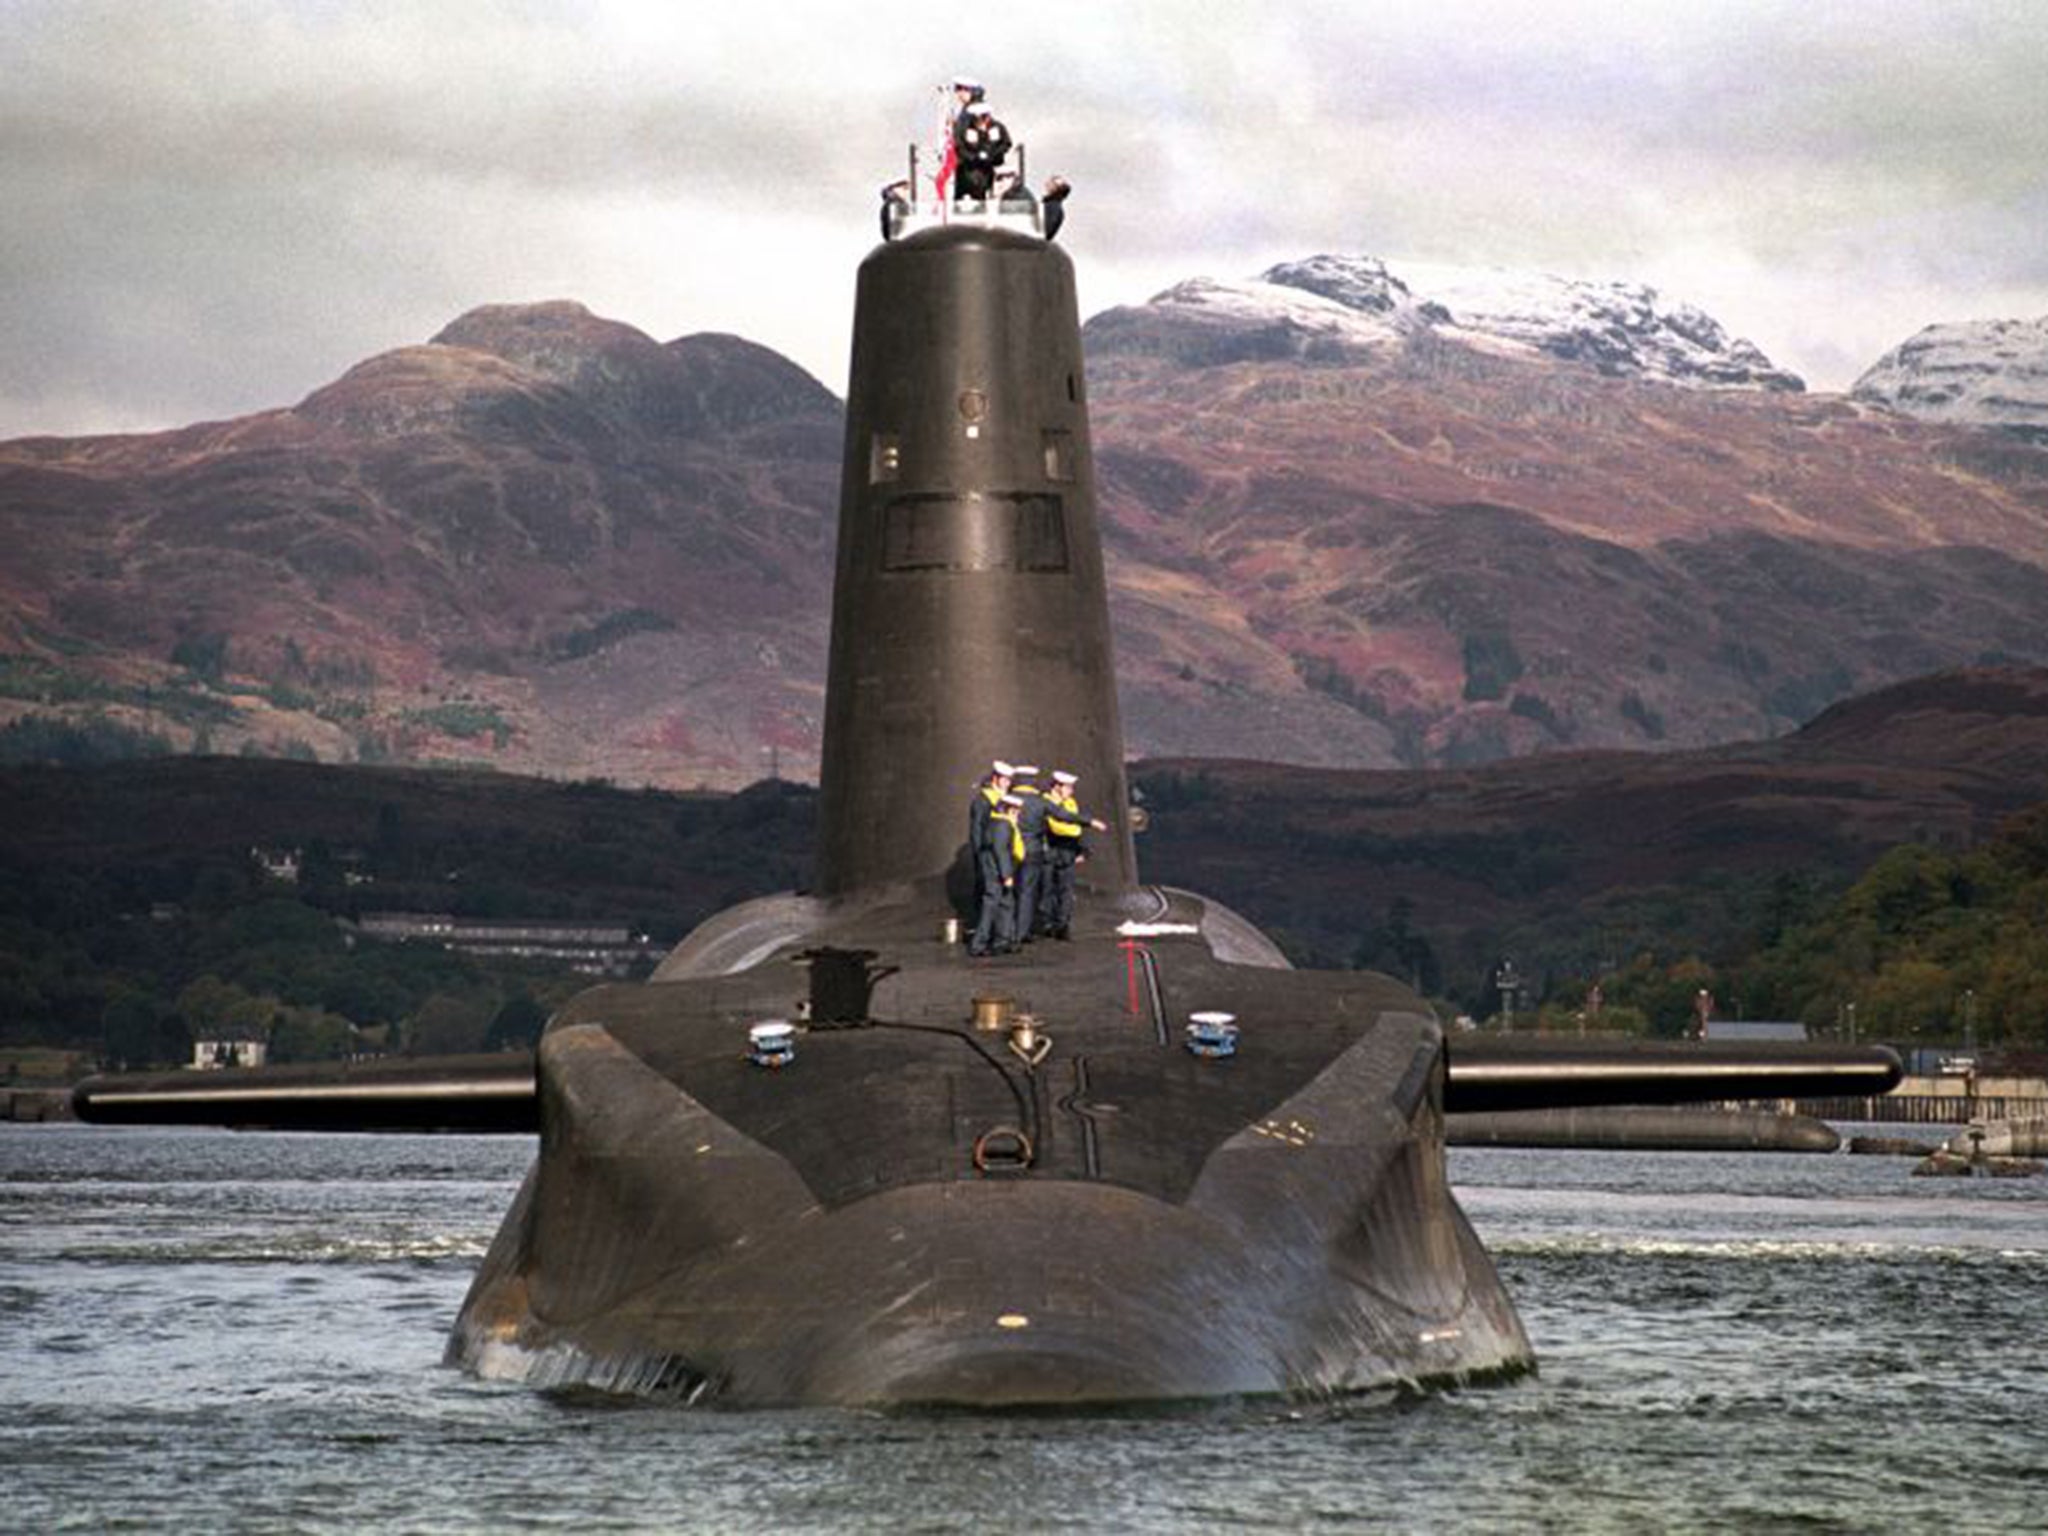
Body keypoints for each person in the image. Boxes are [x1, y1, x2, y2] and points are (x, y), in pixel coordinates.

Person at [1042, 769, 1109, 940]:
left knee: (1065, 890)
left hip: (1067, 852)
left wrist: (1083, 850)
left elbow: (1075, 828)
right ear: (1057, 787)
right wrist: (1083, 824)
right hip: (1049, 851)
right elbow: (1060, 826)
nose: (1071, 791)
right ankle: (1048, 923)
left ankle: (1062, 926)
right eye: (1068, 787)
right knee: (1047, 889)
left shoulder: (1071, 803)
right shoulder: (1046, 802)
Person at [967, 760, 1015, 957]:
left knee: (1004, 899)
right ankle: (980, 942)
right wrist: (979, 857)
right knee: (991, 898)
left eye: (1009, 780)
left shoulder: (1005, 799)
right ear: (995, 778)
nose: (1007, 784)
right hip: (989, 856)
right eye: (1004, 780)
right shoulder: (983, 801)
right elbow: (977, 831)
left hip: (1002, 855)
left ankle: (1002, 939)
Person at [1009, 765, 1049, 941]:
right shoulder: (1039, 801)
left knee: (1007, 891)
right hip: (1032, 851)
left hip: (1008, 851)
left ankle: (1005, 930)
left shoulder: (1006, 799)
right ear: (1033, 780)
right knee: (1027, 892)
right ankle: (1021, 932)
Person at [933, 75, 984, 201]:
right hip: (961, 156)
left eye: (962, 91)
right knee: (942, 181)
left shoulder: (976, 110)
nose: (959, 95)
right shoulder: (966, 109)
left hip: (968, 158)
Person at [951, 101, 1011, 203]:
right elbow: (960, 147)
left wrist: (993, 155)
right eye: (978, 118)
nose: (982, 121)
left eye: (984, 117)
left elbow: (1006, 144)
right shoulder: (966, 130)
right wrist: (974, 157)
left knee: (989, 190)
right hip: (970, 170)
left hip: (990, 167)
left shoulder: (997, 127)